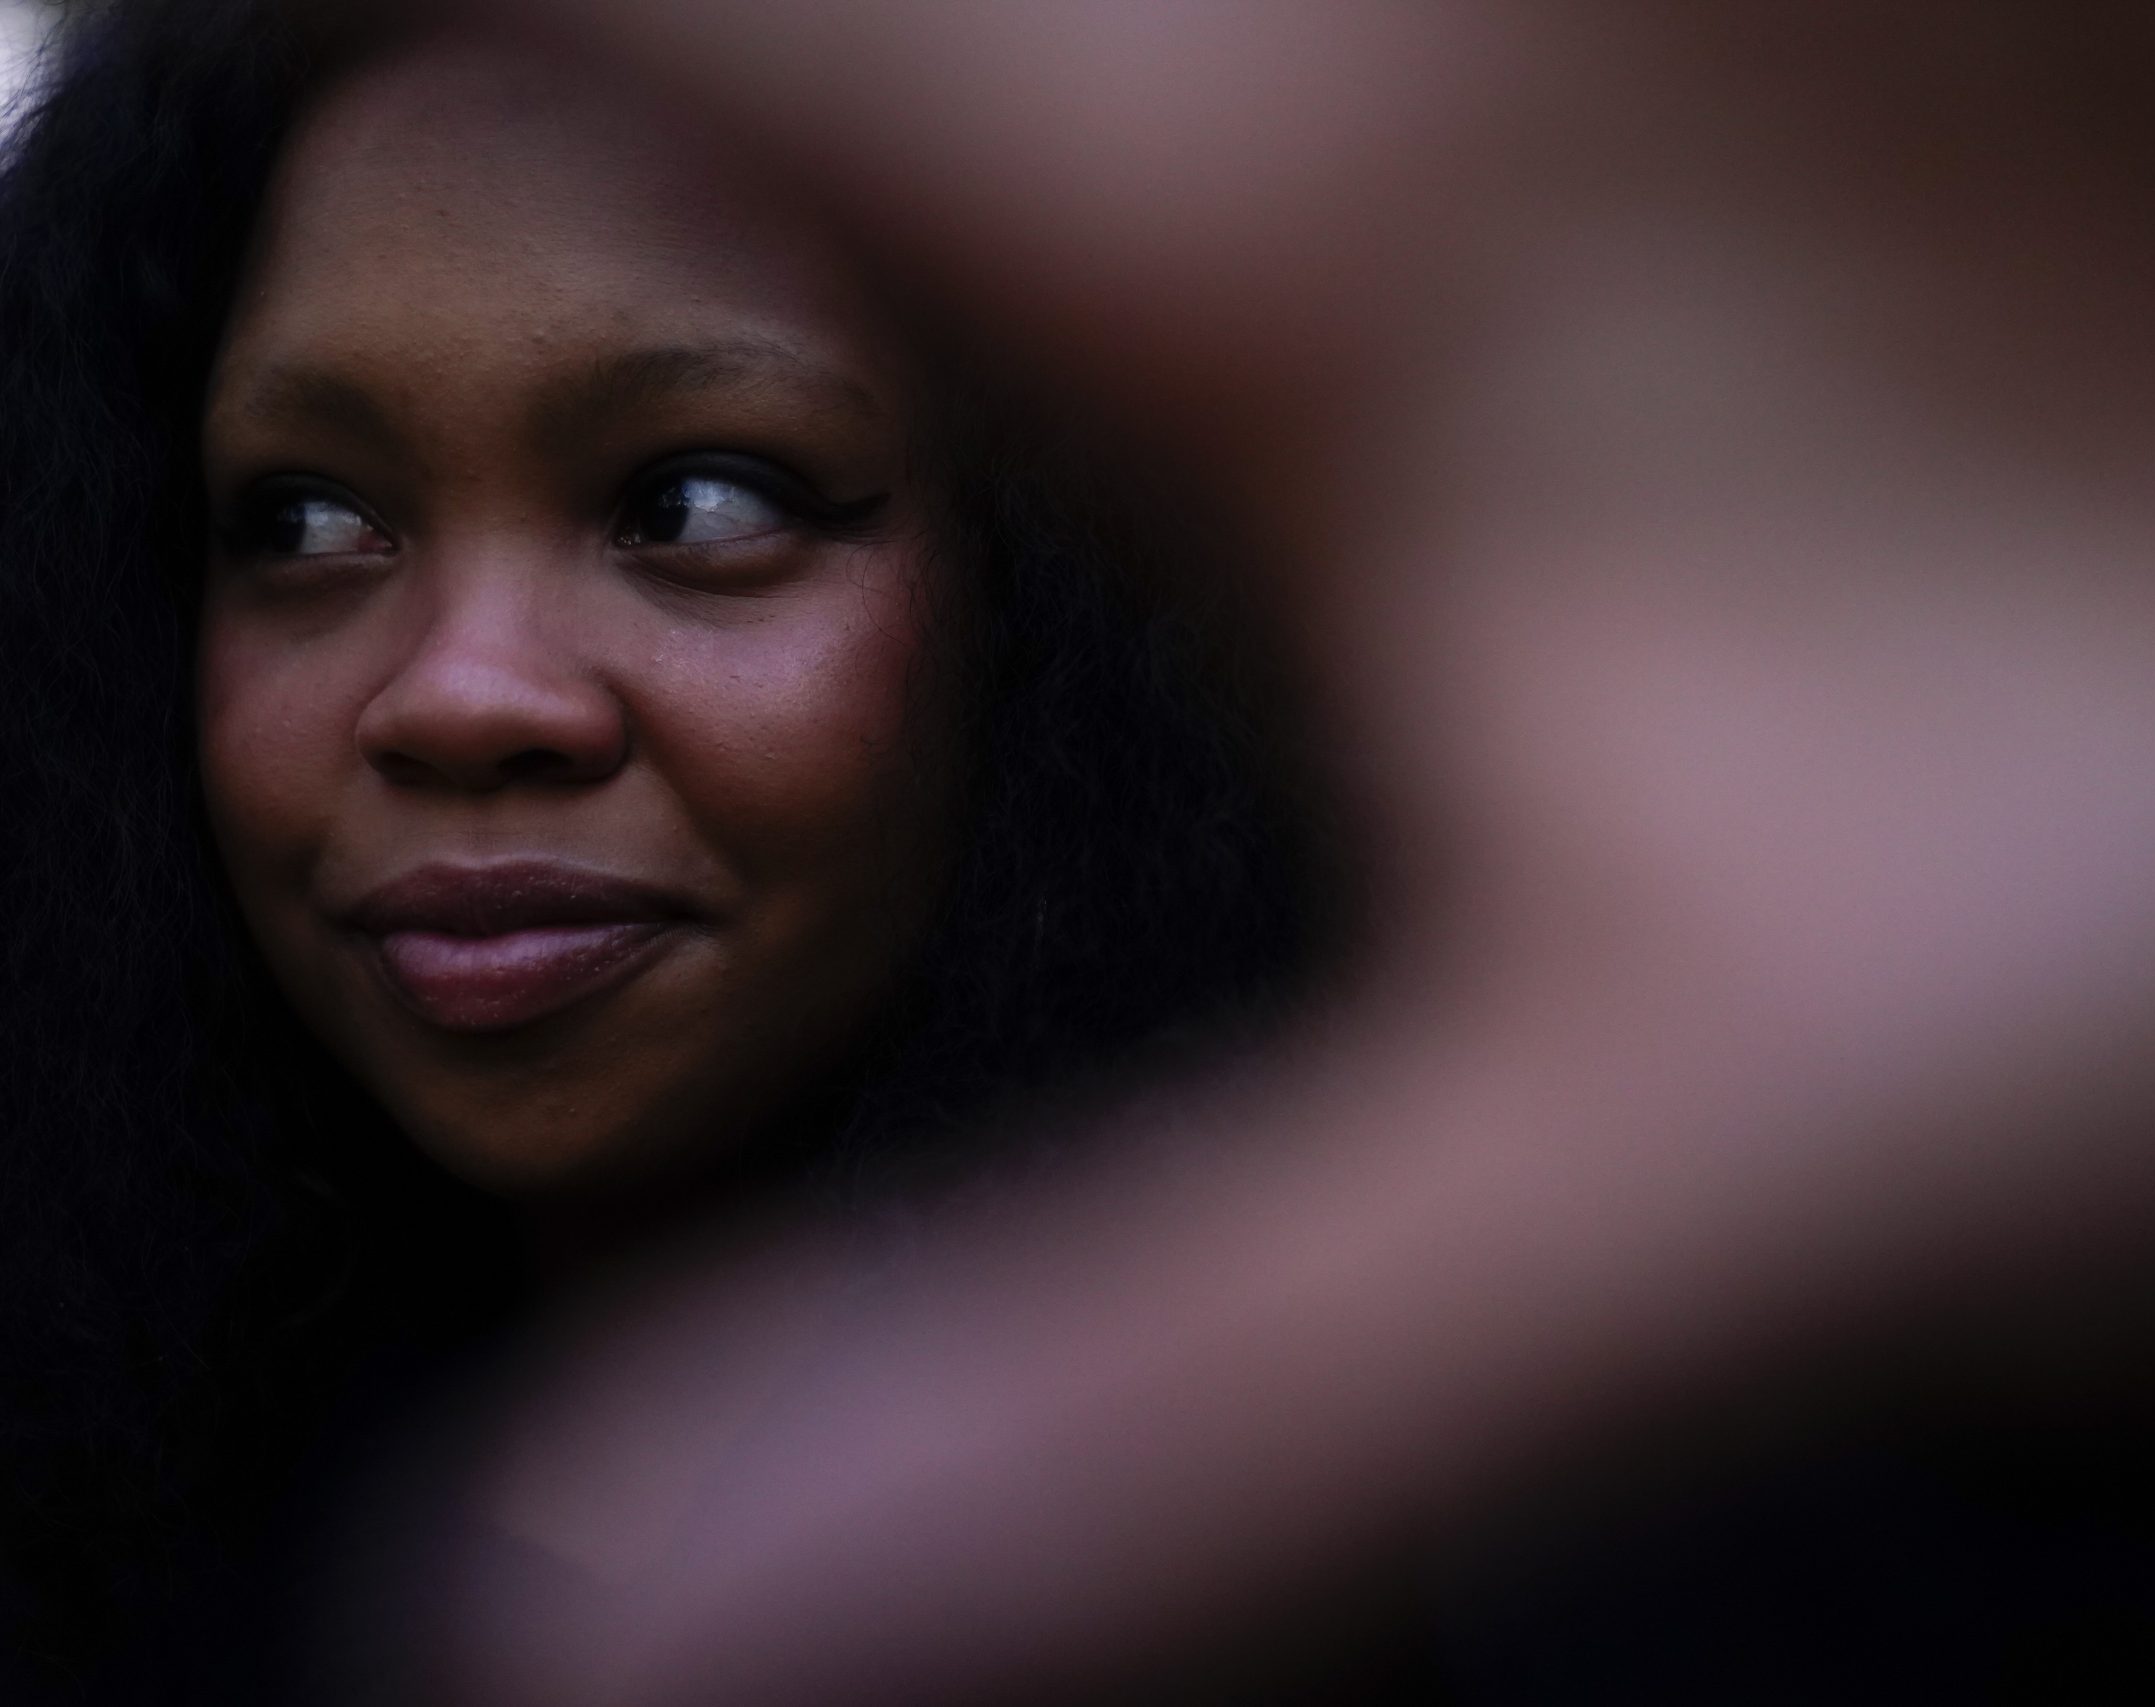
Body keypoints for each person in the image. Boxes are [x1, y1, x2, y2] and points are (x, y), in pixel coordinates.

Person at [0, 3, 1334, 1699]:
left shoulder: (1531, 1520)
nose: (458, 695)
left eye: (700, 505)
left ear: (1089, 583)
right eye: (307, 523)